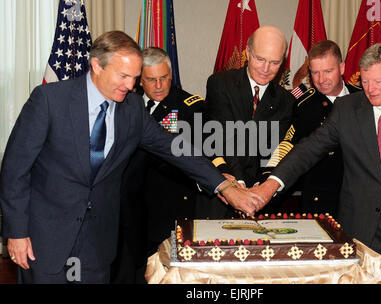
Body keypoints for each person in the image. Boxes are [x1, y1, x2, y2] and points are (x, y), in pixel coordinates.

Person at [0, 31, 263, 284]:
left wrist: (225, 186)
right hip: (45, 239)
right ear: (97, 65)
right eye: (124, 76)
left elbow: (174, 148)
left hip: (97, 243)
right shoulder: (49, 100)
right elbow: (15, 170)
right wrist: (16, 232)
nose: (131, 85)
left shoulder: (132, 109)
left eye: (135, 77)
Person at [250, 44, 381, 284]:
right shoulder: (347, 110)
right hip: (360, 231)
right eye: (364, 82)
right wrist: (270, 185)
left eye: (377, 82)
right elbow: (308, 150)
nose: (370, 90)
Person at [111, 47, 205, 283]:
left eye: (164, 78)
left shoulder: (190, 107)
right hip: (129, 206)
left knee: (165, 273)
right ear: (139, 80)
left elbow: (187, 157)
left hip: (169, 206)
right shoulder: (123, 103)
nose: (160, 85)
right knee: (129, 269)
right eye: (152, 79)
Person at [195, 25, 295, 219]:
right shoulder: (220, 83)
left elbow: (276, 150)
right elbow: (223, 136)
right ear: (248, 52)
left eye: (274, 62)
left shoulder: (286, 100)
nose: (266, 69)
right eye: (260, 59)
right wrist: (238, 186)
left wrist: (260, 188)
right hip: (222, 193)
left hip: (261, 200)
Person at [260, 40, 361, 216]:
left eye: (328, 71)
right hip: (321, 201)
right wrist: (267, 180)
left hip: (360, 200)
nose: (321, 80)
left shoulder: (362, 99)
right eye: (315, 73)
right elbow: (287, 146)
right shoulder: (303, 106)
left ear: (342, 68)